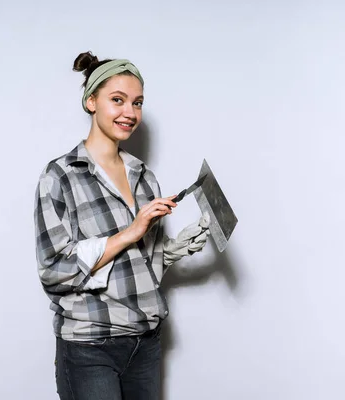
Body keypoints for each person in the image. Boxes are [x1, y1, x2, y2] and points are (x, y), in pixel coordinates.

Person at [34, 51, 210, 400]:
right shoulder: (61, 177)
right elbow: (54, 272)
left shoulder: (145, 177)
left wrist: (173, 250)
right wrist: (131, 231)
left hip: (146, 343)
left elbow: (140, 264)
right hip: (90, 347)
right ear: (91, 102)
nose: (130, 113)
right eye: (118, 100)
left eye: (137, 102)